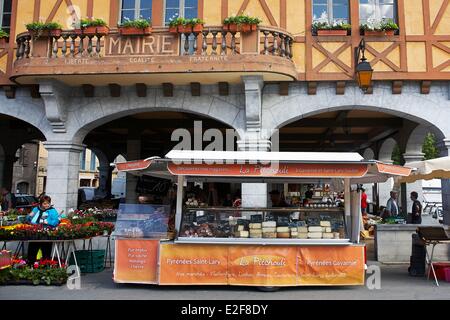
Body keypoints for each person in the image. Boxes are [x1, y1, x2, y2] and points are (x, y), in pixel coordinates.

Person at [26, 195, 61, 263]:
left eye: (48, 203)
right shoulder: (36, 209)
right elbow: (28, 219)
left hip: (46, 234)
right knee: (32, 250)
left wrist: (49, 222)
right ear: (41, 203)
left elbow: (56, 221)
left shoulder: (52, 211)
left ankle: (45, 265)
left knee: (46, 251)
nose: (47, 205)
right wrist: (29, 216)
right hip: (35, 233)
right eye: (44, 203)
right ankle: (30, 264)